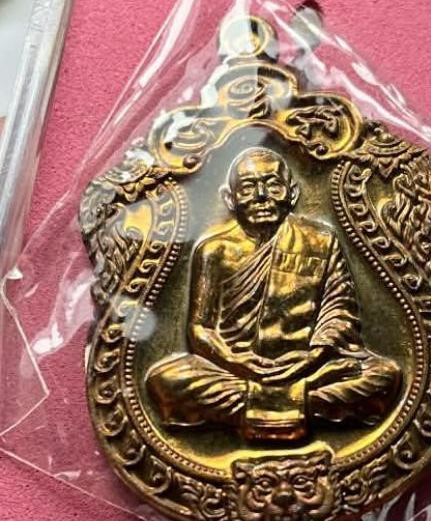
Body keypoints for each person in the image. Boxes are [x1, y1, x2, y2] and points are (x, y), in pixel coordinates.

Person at [146, 147, 400, 441]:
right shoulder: (214, 250)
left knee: (384, 376)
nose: (261, 196)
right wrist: (236, 362)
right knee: (165, 381)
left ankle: (267, 403)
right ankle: (299, 402)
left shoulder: (320, 241)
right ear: (230, 198)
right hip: (235, 371)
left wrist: (313, 358)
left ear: (292, 193)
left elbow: (339, 313)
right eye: (248, 188)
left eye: (273, 186)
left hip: (309, 366)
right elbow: (200, 328)